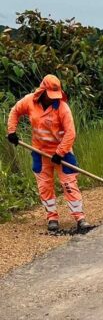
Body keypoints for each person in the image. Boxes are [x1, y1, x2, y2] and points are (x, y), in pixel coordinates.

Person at [6, 75, 92, 232]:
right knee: (44, 185)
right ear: (42, 91)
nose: (53, 98)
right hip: (39, 151)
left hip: (62, 153)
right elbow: (15, 111)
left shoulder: (62, 107)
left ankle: (80, 218)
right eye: (50, 95)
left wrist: (60, 153)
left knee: (69, 184)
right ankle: (52, 218)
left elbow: (70, 133)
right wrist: (12, 131)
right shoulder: (29, 101)